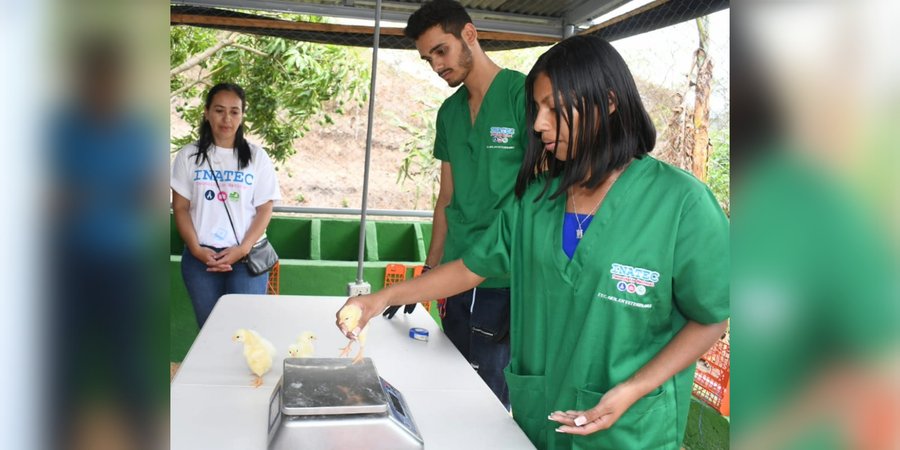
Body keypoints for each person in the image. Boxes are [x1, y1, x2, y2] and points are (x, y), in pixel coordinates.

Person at [338, 35, 729, 450]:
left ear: (609, 103)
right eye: (536, 109)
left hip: (629, 432)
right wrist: (379, 299)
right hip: (539, 423)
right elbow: (470, 267)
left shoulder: (680, 203)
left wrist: (633, 388)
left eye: (554, 109)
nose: (539, 124)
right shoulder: (537, 200)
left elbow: (710, 318)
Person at [382, 0, 527, 410]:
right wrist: (430, 268)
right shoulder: (448, 112)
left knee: (489, 399)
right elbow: (446, 198)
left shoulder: (523, 96)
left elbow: (539, 194)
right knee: (449, 379)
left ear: (469, 34)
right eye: (428, 58)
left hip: (504, 278)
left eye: (440, 51)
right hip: (453, 274)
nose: (436, 66)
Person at [171, 82, 281, 329]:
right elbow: (180, 208)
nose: (226, 119)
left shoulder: (257, 157)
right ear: (207, 112)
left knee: (246, 333)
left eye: (234, 111)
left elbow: (265, 209)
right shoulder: (188, 156)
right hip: (202, 260)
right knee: (209, 331)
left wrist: (242, 248)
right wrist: (196, 249)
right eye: (219, 110)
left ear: (242, 116)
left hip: (246, 258)